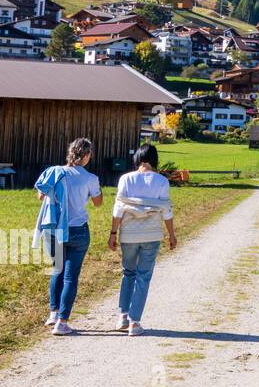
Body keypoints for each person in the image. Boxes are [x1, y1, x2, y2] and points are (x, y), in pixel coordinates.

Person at [34, 138, 103, 336]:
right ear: (87, 155)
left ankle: (53, 314)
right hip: (78, 230)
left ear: (70, 153)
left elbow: (41, 196)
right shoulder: (91, 178)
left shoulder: (53, 172)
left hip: (54, 229)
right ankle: (62, 322)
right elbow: (98, 203)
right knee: (71, 277)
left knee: (57, 271)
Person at [108, 144, 176, 336]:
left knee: (128, 273)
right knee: (143, 277)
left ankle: (122, 316)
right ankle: (134, 322)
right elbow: (166, 211)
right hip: (152, 234)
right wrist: (171, 235)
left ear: (138, 158)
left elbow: (118, 209)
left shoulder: (125, 179)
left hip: (128, 234)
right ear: (154, 160)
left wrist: (113, 233)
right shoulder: (162, 181)